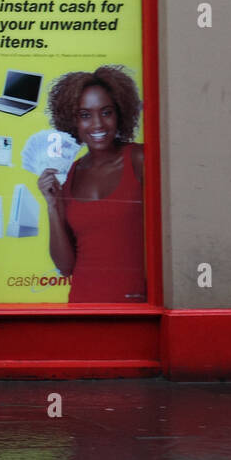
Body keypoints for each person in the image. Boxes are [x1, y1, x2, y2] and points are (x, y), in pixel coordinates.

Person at [36, 65, 146, 303]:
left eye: (106, 112)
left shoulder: (139, 160)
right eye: (85, 115)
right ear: (72, 121)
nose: (97, 124)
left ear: (119, 114)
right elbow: (65, 267)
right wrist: (52, 205)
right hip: (83, 305)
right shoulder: (74, 173)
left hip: (136, 307)